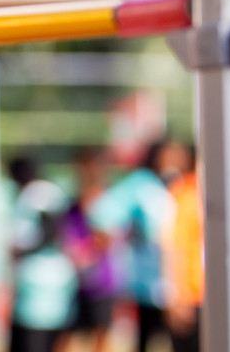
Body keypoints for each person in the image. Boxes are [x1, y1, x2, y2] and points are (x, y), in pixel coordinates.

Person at [90, 139, 185, 352]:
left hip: (176, 281)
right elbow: (103, 214)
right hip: (151, 283)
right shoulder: (142, 185)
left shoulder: (176, 185)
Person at [7, 155, 77, 352]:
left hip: (40, 285)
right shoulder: (50, 191)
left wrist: (24, 251)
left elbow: (51, 228)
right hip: (53, 282)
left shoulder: (34, 194)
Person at [60, 148, 116, 352]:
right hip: (76, 283)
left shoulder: (107, 202)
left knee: (100, 338)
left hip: (101, 283)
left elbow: (109, 237)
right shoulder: (73, 206)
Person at [163, 152, 202, 352]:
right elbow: (173, 247)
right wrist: (176, 295)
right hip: (191, 295)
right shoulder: (184, 195)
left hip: (213, 292)